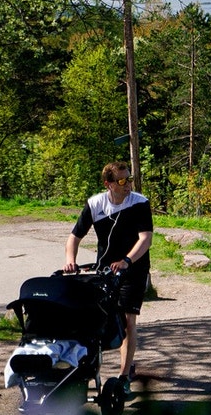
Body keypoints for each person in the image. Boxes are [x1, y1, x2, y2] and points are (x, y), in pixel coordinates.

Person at [64, 161, 153, 394]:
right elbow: (74, 237)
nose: (128, 185)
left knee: (127, 320)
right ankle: (86, 369)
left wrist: (127, 261)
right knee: (95, 319)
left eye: (129, 179)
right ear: (109, 184)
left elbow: (145, 239)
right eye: (122, 181)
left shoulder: (140, 203)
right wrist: (70, 260)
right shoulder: (95, 204)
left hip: (134, 268)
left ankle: (124, 377)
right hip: (105, 271)